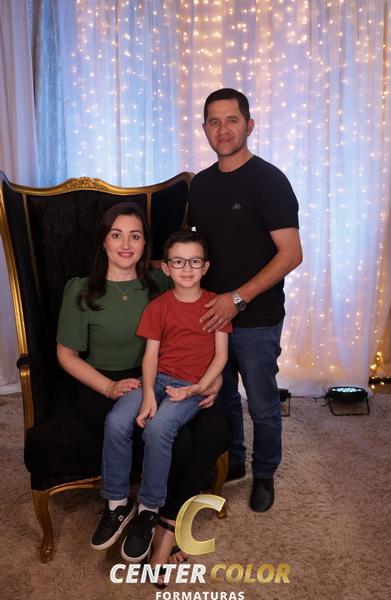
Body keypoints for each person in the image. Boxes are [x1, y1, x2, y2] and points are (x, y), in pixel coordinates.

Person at [56, 202, 228, 566]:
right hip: (103, 383)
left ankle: (162, 521)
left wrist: (213, 380)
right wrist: (109, 387)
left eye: (135, 236)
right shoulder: (81, 289)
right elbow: (66, 356)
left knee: (208, 430)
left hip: (166, 377)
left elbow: (195, 306)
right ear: (103, 241)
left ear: (145, 245)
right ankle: (119, 507)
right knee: (143, 428)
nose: (125, 244)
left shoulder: (161, 281)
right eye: (116, 235)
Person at [188, 88, 303, 513]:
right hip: (212, 316)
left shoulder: (269, 181)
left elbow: (291, 254)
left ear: (249, 125)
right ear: (204, 129)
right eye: (214, 122)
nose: (223, 130)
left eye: (232, 120)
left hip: (256, 317)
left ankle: (265, 472)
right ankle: (233, 460)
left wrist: (237, 299)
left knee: (262, 402)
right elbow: (198, 248)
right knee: (221, 398)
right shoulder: (200, 185)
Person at [103, 229, 231, 564]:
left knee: (159, 428)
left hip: (190, 385)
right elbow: (150, 355)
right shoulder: (158, 306)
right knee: (117, 419)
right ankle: (117, 504)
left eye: (195, 261)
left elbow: (221, 356)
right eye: (178, 261)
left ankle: (149, 509)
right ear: (166, 267)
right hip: (158, 378)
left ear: (205, 267)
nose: (187, 268)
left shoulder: (216, 305)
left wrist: (199, 388)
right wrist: (148, 394)